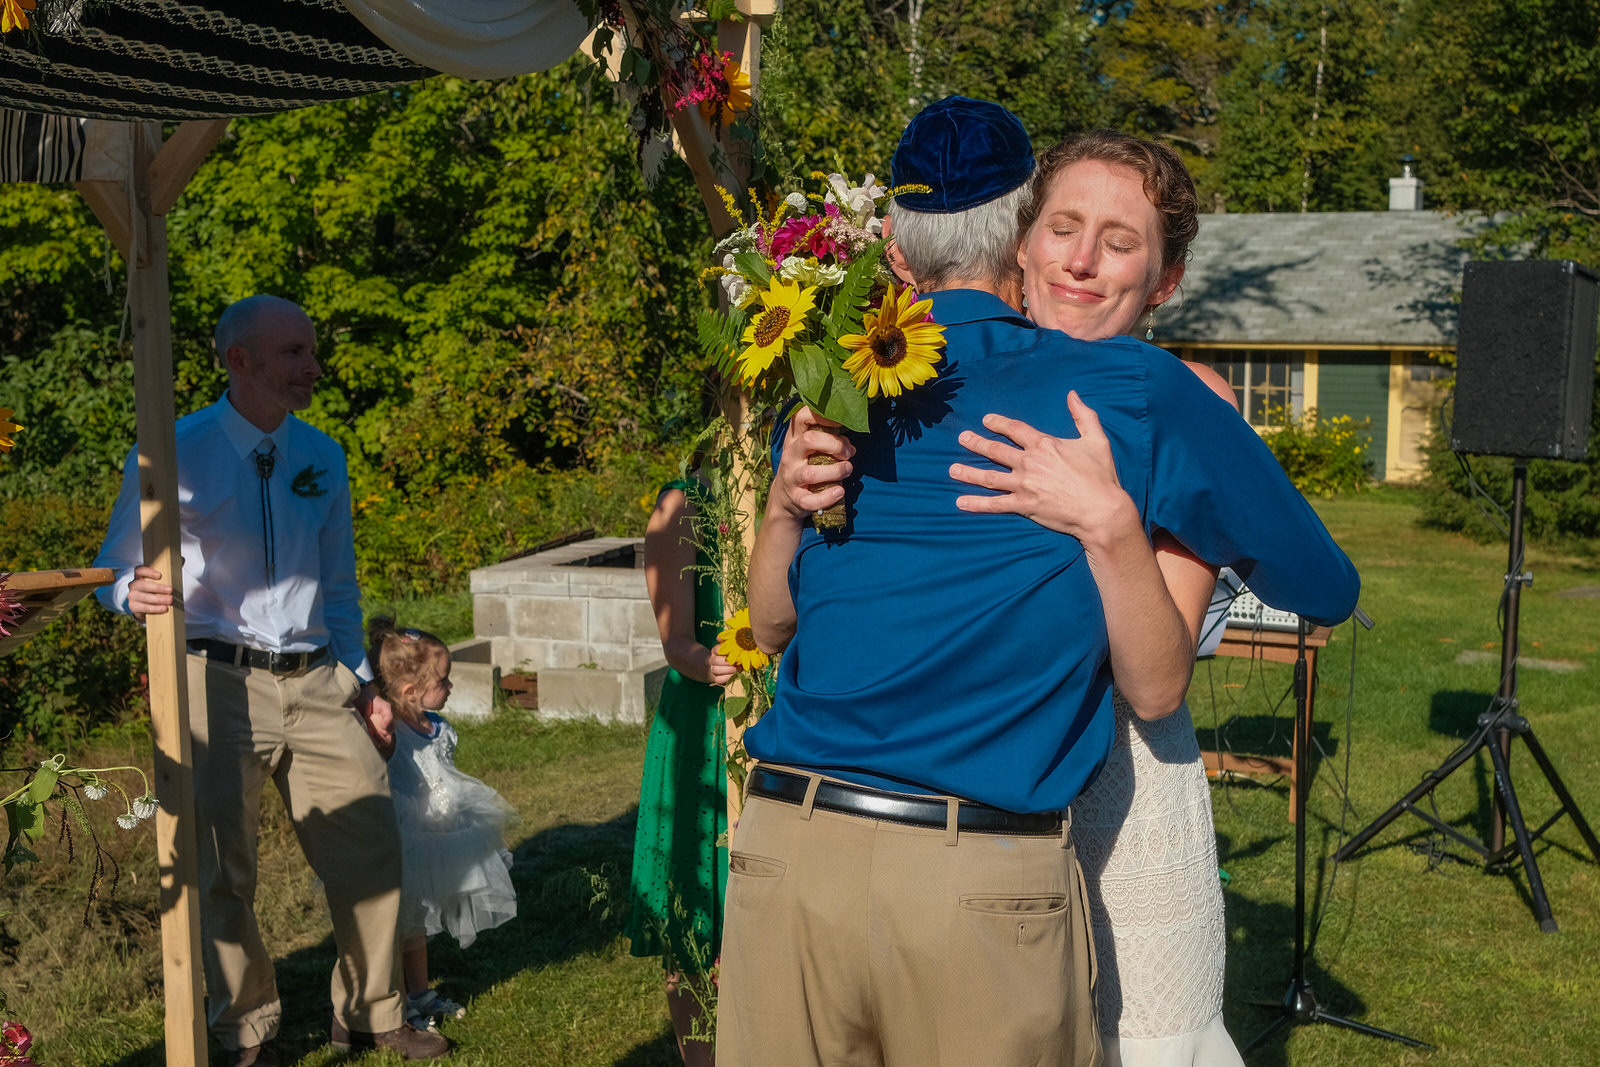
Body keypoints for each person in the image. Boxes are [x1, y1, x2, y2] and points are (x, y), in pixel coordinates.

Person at [718, 96, 1359, 1067]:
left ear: (893, 247)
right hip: (974, 875)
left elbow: (771, 629)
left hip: (784, 854)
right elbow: (1324, 583)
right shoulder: (1139, 393)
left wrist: (779, 509)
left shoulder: (834, 394)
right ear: (1021, 236)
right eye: (1062, 227)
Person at [94, 295, 449, 1065]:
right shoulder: (170, 449)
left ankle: (370, 1011)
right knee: (222, 866)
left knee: (369, 845)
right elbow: (112, 568)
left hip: (319, 678)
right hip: (214, 678)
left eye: (312, 351)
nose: (312, 367)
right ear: (239, 362)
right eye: (293, 353)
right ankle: (245, 1028)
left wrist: (364, 683)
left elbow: (340, 584)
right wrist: (130, 592)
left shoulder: (324, 453)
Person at [985, 130, 1249, 1066]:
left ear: (1166, 279)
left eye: (1121, 240)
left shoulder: (1192, 406)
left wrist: (1108, 520)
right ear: (1021, 242)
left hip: (1123, 802)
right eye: (1063, 228)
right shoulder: (942, 381)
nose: (1083, 261)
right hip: (972, 798)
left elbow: (1157, 684)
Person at [624, 476, 736, 1067]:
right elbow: (677, 642)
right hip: (706, 718)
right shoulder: (684, 503)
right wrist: (733, 664)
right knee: (698, 909)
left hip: (783, 720)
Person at [363, 619, 517, 1034]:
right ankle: (396, 1001)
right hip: (407, 839)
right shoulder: (388, 732)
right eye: (443, 681)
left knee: (418, 924)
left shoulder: (438, 728)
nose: (449, 688)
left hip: (439, 837)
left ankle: (421, 991)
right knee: (398, 924)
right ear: (411, 691)